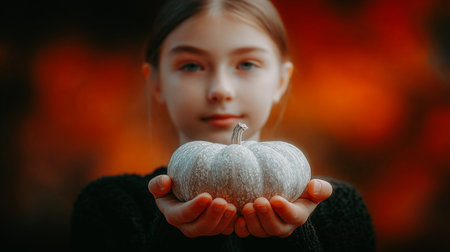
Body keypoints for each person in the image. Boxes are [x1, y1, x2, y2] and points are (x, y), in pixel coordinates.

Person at [70, 0, 375, 251]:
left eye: (247, 64)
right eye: (191, 65)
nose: (220, 89)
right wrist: (177, 237)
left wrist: (291, 239)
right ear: (156, 82)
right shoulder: (110, 206)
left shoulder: (338, 208)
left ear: (281, 81)